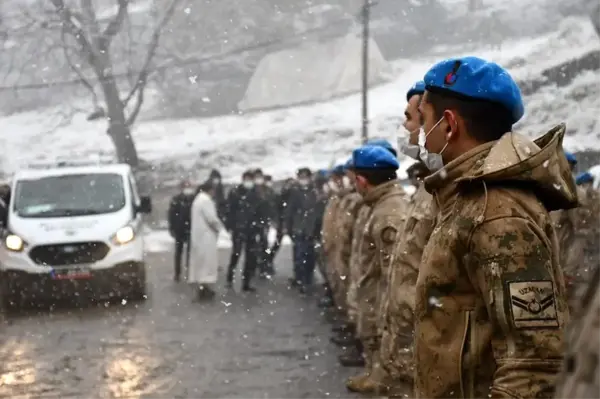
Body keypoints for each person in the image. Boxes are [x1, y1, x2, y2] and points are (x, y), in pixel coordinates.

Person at [414, 56, 575, 398]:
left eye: (424, 120)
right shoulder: (465, 196)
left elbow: (535, 362)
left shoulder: (497, 212)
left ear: (449, 124)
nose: (419, 137)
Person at [375, 81, 437, 395]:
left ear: (446, 124)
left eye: (415, 117)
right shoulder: (433, 187)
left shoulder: (475, 193)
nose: (406, 126)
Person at [344, 145, 408, 394]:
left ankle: (381, 378)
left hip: (381, 300)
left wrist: (384, 315)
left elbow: (394, 274)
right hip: (373, 295)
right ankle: (375, 373)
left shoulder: (389, 212)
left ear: (362, 181)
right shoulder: (380, 205)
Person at [225, 170, 261, 292]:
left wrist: (260, 225)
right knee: (236, 253)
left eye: (250, 179)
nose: (248, 182)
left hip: (252, 229)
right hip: (238, 228)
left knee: (250, 257)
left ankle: (246, 282)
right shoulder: (235, 193)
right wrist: (229, 226)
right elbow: (229, 210)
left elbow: (261, 211)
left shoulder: (256, 193)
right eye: (246, 179)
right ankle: (229, 278)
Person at [286, 167, 320, 293]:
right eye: (301, 177)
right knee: (300, 256)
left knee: (311, 257)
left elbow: (318, 210)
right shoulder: (295, 192)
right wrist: (288, 227)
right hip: (299, 229)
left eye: (306, 177)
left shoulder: (315, 192)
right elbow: (289, 210)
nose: (303, 180)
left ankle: (308, 279)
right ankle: (302, 280)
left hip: (312, 229)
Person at [188, 182, 225, 300]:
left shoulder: (197, 200)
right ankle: (204, 289)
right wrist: (220, 228)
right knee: (207, 263)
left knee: (200, 263)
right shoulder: (205, 201)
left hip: (199, 236)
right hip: (206, 236)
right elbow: (211, 218)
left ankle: (203, 287)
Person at [168, 180, 196, 281]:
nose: (187, 189)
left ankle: (190, 272)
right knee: (178, 252)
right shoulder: (176, 199)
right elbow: (171, 214)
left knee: (191, 252)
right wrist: (172, 227)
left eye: (189, 186)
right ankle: (177, 273)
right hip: (179, 228)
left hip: (191, 228)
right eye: (185, 187)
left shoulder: (195, 199)